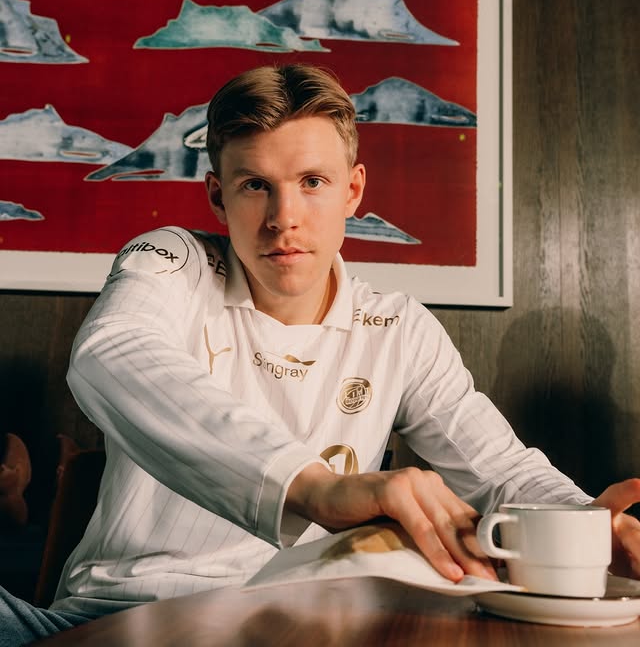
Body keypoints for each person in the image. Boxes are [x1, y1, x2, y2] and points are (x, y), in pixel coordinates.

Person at [2, 64, 639, 645]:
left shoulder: (397, 327)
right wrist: (316, 488)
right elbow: (110, 353)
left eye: (313, 182)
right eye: (255, 185)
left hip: (298, 626)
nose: (285, 218)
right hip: (110, 622)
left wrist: (591, 526)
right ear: (218, 197)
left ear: (353, 190)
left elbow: (500, 469)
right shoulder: (173, 259)